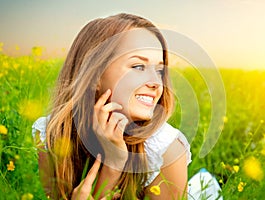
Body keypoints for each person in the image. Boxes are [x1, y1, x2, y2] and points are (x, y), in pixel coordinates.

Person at [32, 13, 222, 200]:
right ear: (95, 75)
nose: (156, 82)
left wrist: (115, 162)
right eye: (138, 66)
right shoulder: (52, 134)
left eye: (159, 70)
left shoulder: (166, 149)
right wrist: (112, 166)